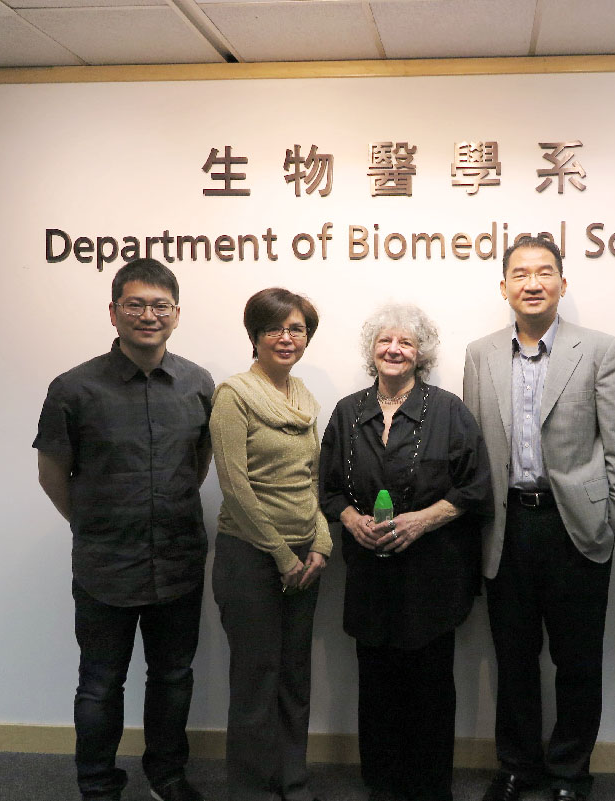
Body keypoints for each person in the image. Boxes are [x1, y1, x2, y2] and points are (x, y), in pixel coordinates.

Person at [463, 235, 615, 801]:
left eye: (544, 272)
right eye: (520, 273)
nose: (532, 283)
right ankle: (518, 766)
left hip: (575, 527)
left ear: (563, 283)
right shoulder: (480, 354)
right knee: (513, 658)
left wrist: (614, 524)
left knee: (577, 660)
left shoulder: (600, 349)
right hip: (506, 527)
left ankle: (570, 772)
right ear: (504, 287)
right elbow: (472, 450)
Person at [34, 257, 213, 801]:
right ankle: (97, 785)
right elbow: (51, 473)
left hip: (178, 560)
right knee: (100, 683)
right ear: (113, 312)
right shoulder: (73, 388)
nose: (148, 315)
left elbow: (199, 462)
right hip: (105, 565)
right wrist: (93, 524)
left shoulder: (198, 384)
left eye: (160, 305)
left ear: (176, 314)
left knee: (173, 677)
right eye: (135, 304)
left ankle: (166, 775)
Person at [319, 303, 492, 801]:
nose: (394, 350)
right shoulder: (347, 412)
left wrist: (422, 519)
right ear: (372, 350)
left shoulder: (449, 410)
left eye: (406, 343)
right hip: (368, 575)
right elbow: (327, 489)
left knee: (430, 687)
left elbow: (475, 487)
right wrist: (351, 520)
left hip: (432, 576)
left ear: (421, 354)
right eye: (385, 341)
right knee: (375, 685)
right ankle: (382, 783)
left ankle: (430, 788)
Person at [209, 287, 332, 801]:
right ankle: (252, 790)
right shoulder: (233, 395)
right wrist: (282, 556)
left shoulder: (302, 396)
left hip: (304, 559)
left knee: (295, 676)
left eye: (296, 328)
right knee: (256, 679)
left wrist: (320, 544)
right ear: (255, 336)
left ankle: (292, 780)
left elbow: (312, 479)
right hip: (250, 557)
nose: (286, 337)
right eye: (274, 328)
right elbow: (234, 486)